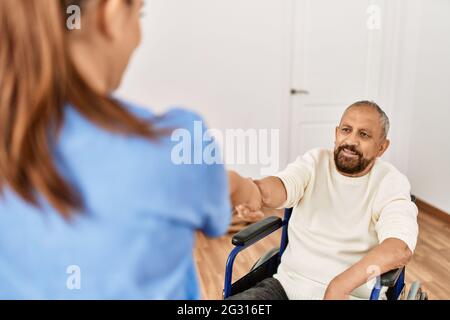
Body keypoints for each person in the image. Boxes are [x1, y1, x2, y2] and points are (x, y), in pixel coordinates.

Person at [0, 0, 232, 299]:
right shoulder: (177, 143)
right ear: (110, 14)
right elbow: (217, 219)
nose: (138, 34)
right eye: (140, 14)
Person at [228, 101, 419, 300]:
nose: (351, 141)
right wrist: (248, 189)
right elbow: (277, 188)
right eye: (346, 130)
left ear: (382, 147)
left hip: (351, 296)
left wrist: (340, 285)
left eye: (364, 134)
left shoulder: (390, 182)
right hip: (286, 288)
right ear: (336, 133)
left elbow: (399, 247)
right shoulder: (314, 162)